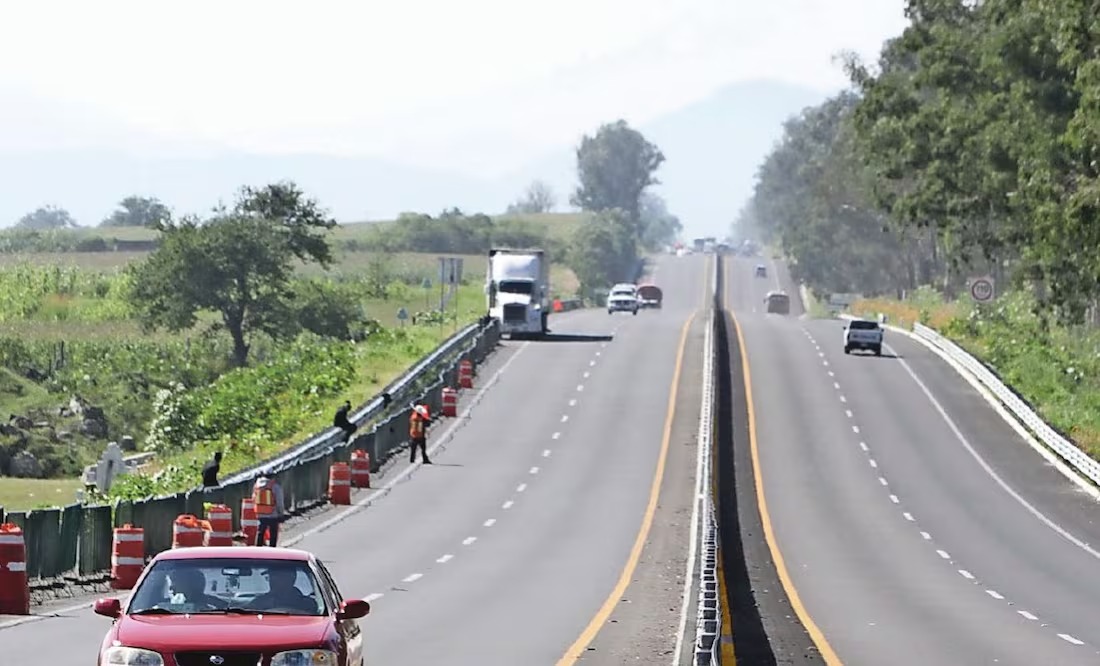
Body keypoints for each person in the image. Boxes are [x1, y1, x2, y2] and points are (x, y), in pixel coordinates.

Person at [251, 566, 318, 615]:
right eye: (271, 577)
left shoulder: (307, 604)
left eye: (278, 577)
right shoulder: (258, 603)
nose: (273, 581)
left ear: (292, 578)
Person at [253, 473, 286, 547]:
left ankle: (258, 549)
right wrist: (281, 514)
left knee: (260, 532)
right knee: (273, 533)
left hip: (260, 513)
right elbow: (279, 502)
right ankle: (272, 550)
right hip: (272, 514)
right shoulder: (275, 486)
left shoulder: (257, 485)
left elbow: (253, 499)